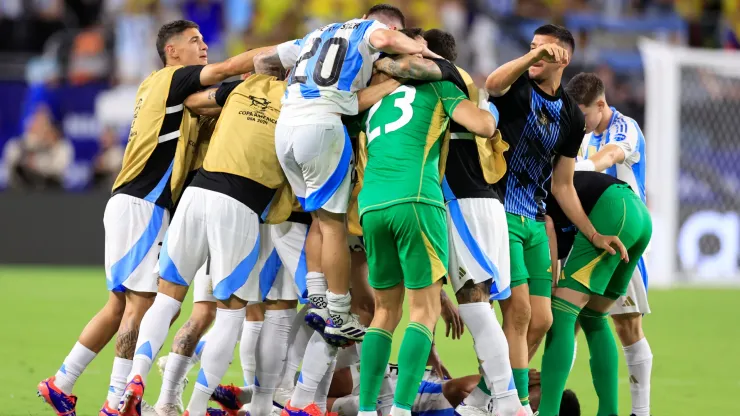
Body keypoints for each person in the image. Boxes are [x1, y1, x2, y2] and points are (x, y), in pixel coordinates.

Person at [38, 19, 272, 416]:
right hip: (144, 204)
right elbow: (226, 70)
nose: (203, 47)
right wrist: (277, 55)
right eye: (193, 41)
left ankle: (62, 383)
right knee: (143, 303)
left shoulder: (156, 87)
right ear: (172, 52)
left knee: (119, 305)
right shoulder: (174, 78)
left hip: (128, 200)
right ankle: (117, 402)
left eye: (203, 40)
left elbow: (205, 102)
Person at [254, 6, 447, 416]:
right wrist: (422, 52)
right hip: (331, 139)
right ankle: (332, 317)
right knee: (337, 239)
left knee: (322, 228)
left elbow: (261, 61)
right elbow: (404, 56)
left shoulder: (317, 35)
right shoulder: (376, 37)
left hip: (287, 128)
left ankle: (308, 386)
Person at [371, 28, 520, 416]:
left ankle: (506, 402)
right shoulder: (452, 82)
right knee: (473, 303)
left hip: (453, 201)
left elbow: (484, 125)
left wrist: (384, 61)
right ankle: (498, 401)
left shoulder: (441, 78)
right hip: (476, 200)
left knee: (471, 304)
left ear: (426, 57)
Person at [484, 24, 627, 412]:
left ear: (563, 57)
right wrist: (530, 57)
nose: (536, 55)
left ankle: (490, 391)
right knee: (519, 312)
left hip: (534, 218)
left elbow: (563, 185)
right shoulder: (517, 88)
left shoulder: (570, 116)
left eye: (544, 50)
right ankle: (509, 404)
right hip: (501, 212)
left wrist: (594, 235)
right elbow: (492, 85)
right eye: (531, 47)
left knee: (543, 320)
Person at [565, 72, 652, 416]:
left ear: (600, 105)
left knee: (627, 324)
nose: (580, 123)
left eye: (583, 114)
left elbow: (610, 157)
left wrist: (578, 168)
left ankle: (641, 411)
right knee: (566, 317)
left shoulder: (624, 127)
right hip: (587, 236)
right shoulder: (581, 132)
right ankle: (553, 402)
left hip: (622, 235)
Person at [538, 171, 652, 416]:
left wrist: (552, 285)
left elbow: (548, 226)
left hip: (611, 210)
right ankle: (609, 411)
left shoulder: (528, 192)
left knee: (562, 314)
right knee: (593, 316)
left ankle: (547, 411)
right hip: (638, 215)